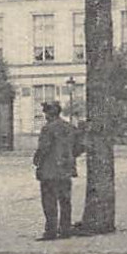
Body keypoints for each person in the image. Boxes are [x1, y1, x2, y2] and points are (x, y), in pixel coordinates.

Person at [33, 100, 80, 240]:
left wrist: (37, 161)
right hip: (66, 169)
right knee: (65, 200)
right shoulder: (70, 127)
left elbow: (44, 148)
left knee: (49, 201)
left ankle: (51, 231)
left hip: (49, 170)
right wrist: (70, 157)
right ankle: (65, 229)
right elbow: (79, 146)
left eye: (46, 113)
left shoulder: (48, 129)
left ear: (48, 114)